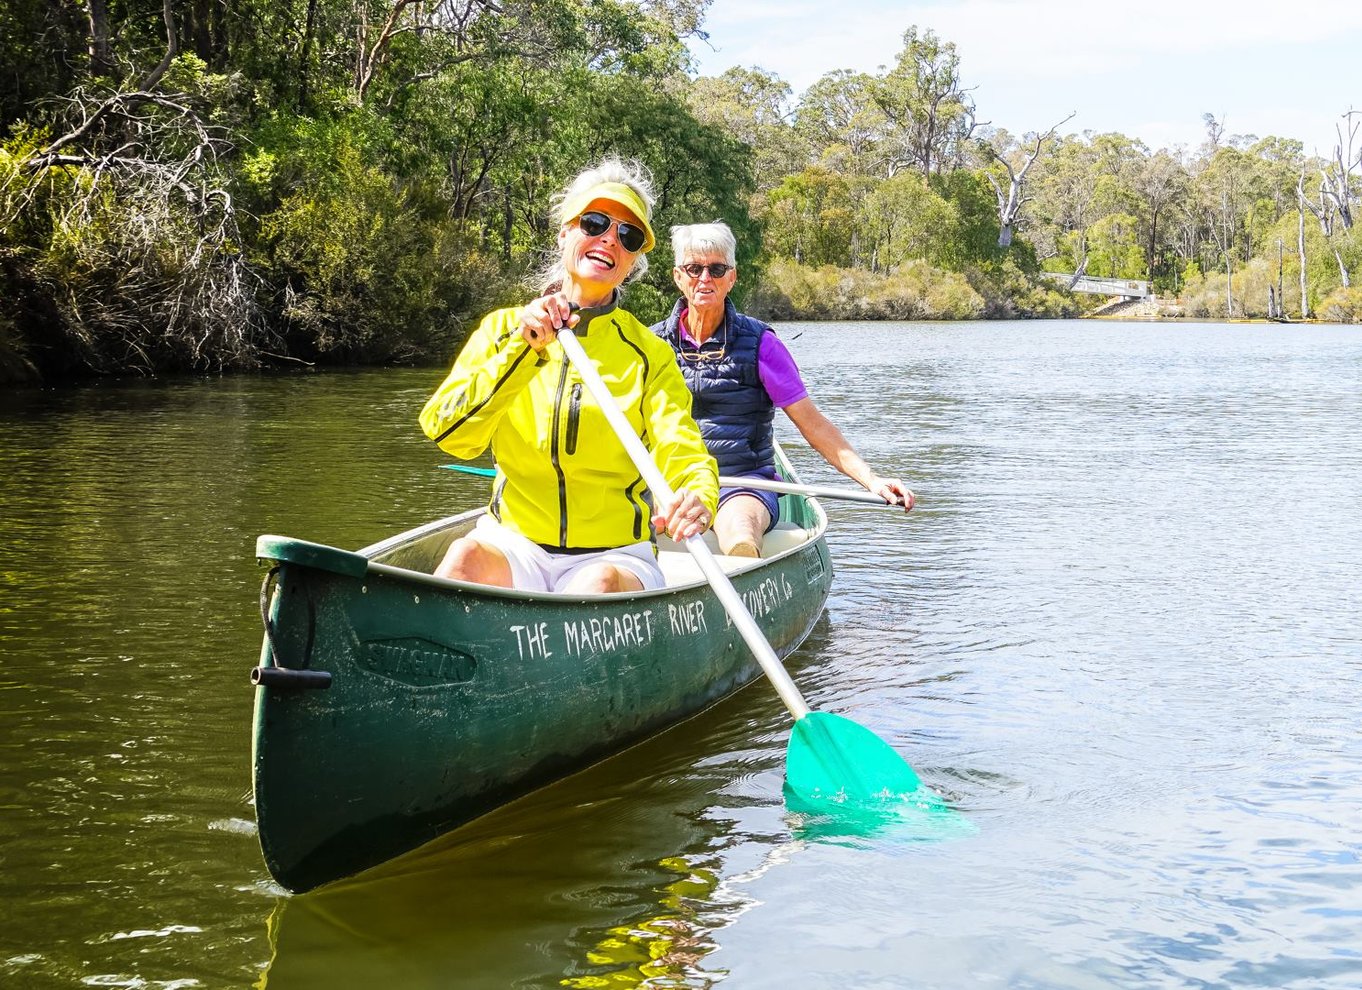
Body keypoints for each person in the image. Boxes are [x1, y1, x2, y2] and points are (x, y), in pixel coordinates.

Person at [419, 159, 718, 594]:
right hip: (515, 542)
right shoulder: (502, 330)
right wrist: (525, 350)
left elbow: (682, 449)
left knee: (596, 584)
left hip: (613, 553)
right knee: (463, 558)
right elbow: (449, 435)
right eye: (595, 223)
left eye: (628, 236)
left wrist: (698, 497)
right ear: (565, 232)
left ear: (633, 260)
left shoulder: (648, 354)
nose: (609, 240)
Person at [652, 221, 914, 558]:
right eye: (694, 268)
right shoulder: (652, 344)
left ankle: (741, 593)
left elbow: (813, 424)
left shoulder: (762, 344)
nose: (705, 279)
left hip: (743, 484)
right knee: (636, 524)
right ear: (678, 276)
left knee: (740, 529)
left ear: (732, 277)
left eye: (717, 269)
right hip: (671, 481)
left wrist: (872, 480)